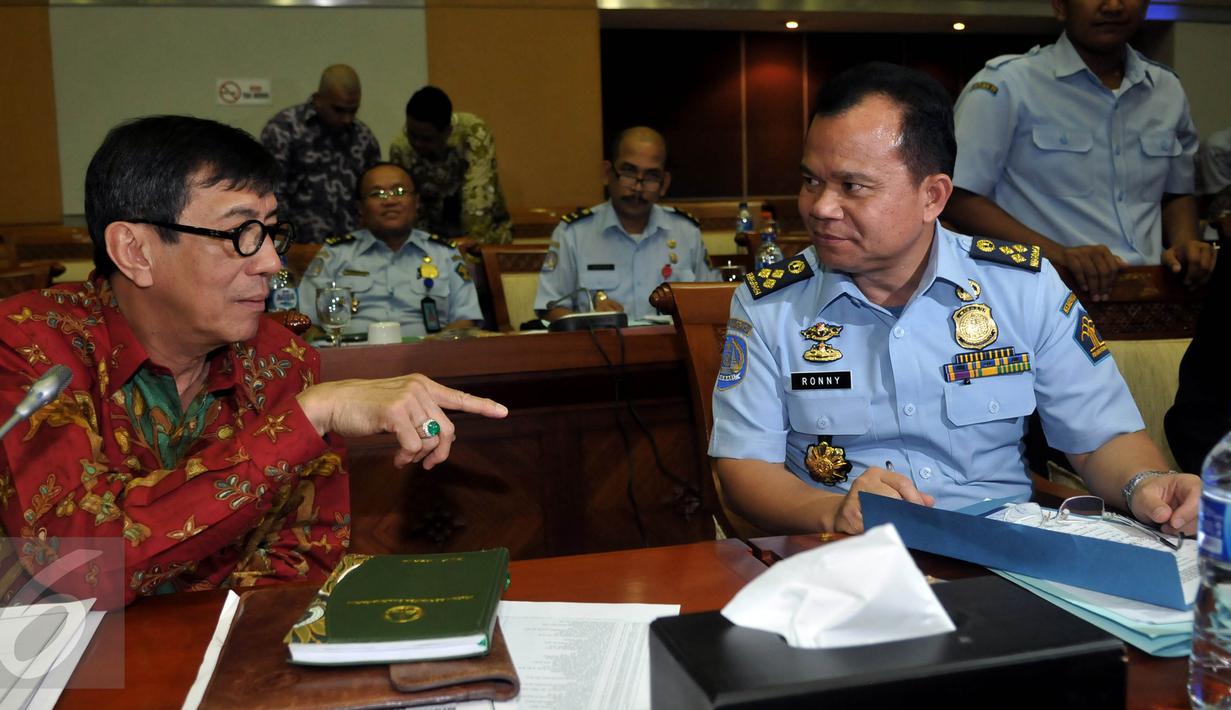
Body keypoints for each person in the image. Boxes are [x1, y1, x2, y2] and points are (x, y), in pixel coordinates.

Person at [0, 116, 507, 608]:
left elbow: (303, 555)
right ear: (134, 250)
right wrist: (304, 420)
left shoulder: (282, 359)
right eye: (242, 233)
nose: (270, 262)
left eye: (270, 232)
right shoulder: (33, 347)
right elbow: (78, 565)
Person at [708, 61, 1200, 536]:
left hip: (1002, 556)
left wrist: (1147, 485)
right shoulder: (770, 305)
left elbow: (1101, 440)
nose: (820, 207)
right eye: (811, 180)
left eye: (852, 186)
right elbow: (744, 468)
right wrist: (834, 511)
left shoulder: (1022, 287)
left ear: (933, 196)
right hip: (845, 558)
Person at [944, 0, 1215, 300]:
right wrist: (1057, 254)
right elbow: (957, 196)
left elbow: (1177, 193)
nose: (1113, 6)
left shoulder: (1166, 88)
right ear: (1060, 6)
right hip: (1043, 294)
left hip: (1152, 295)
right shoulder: (1008, 83)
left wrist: (1185, 243)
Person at [533, 127, 719, 323]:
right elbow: (549, 307)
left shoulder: (686, 232)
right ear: (607, 173)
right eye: (629, 172)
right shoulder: (574, 233)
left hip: (674, 349)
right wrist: (589, 319)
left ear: (664, 183)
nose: (638, 187)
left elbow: (714, 302)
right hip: (601, 349)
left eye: (651, 176)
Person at [299, 162, 482, 338]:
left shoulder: (444, 254)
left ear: (416, 202)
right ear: (360, 207)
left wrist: (433, 349)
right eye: (377, 193)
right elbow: (305, 321)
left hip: (430, 359)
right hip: (353, 360)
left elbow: (465, 320)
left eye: (399, 191)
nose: (390, 201)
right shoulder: (335, 254)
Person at [261, 64, 381, 243]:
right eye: (338, 110)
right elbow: (269, 189)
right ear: (318, 99)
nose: (347, 119)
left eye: (353, 111)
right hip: (296, 242)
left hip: (351, 246)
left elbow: (372, 192)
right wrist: (280, 240)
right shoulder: (284, 129)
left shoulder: (363, 137)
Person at [388, 86, 512, 246]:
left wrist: (471, 242)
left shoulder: (473, 132)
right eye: (412, 135)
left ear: (447, 132)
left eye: (426, 139)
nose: (417, 144)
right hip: (428, 240)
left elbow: (478, 192)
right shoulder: (401, 147)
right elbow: (406, 202)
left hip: (481, 233)